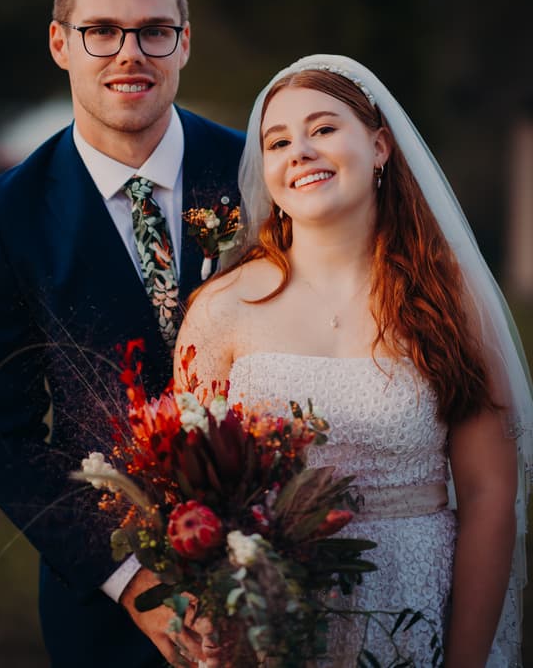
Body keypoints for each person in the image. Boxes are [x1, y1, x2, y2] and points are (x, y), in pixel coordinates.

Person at [0, 0, 245, 667]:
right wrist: (135, 583)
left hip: (281, 583)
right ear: (60, 43)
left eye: (153, 31)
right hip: (106, 614)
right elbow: (1, 434)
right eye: (101, 31)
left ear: (185, 43)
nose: (129, 53)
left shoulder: (256, 176)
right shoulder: (3, 217)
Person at [175, 54, 533, 666]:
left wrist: (465, 658)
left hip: (418, 615)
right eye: (279, 140)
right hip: (273, 622)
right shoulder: (221, 308)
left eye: (323, 129)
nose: (301, 151)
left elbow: (489, 491)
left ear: (380, 146)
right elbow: (186, 496)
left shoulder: (448, 303)